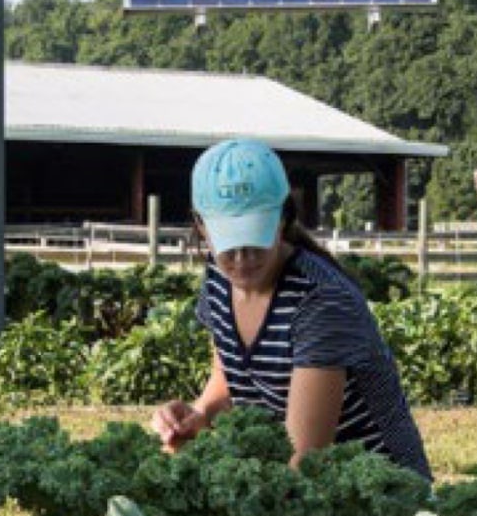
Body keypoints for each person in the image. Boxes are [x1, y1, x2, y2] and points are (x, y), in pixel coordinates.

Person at [151, 139, 432, 481]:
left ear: (284, 217)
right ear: (200, 226)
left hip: (381, 491)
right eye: (229, 243)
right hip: (305, 485)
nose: (242, 258)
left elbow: (306, 459)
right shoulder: (217, 281)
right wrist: (198, 414)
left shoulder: (320, 299)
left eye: (255, 240)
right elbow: (230, 377)